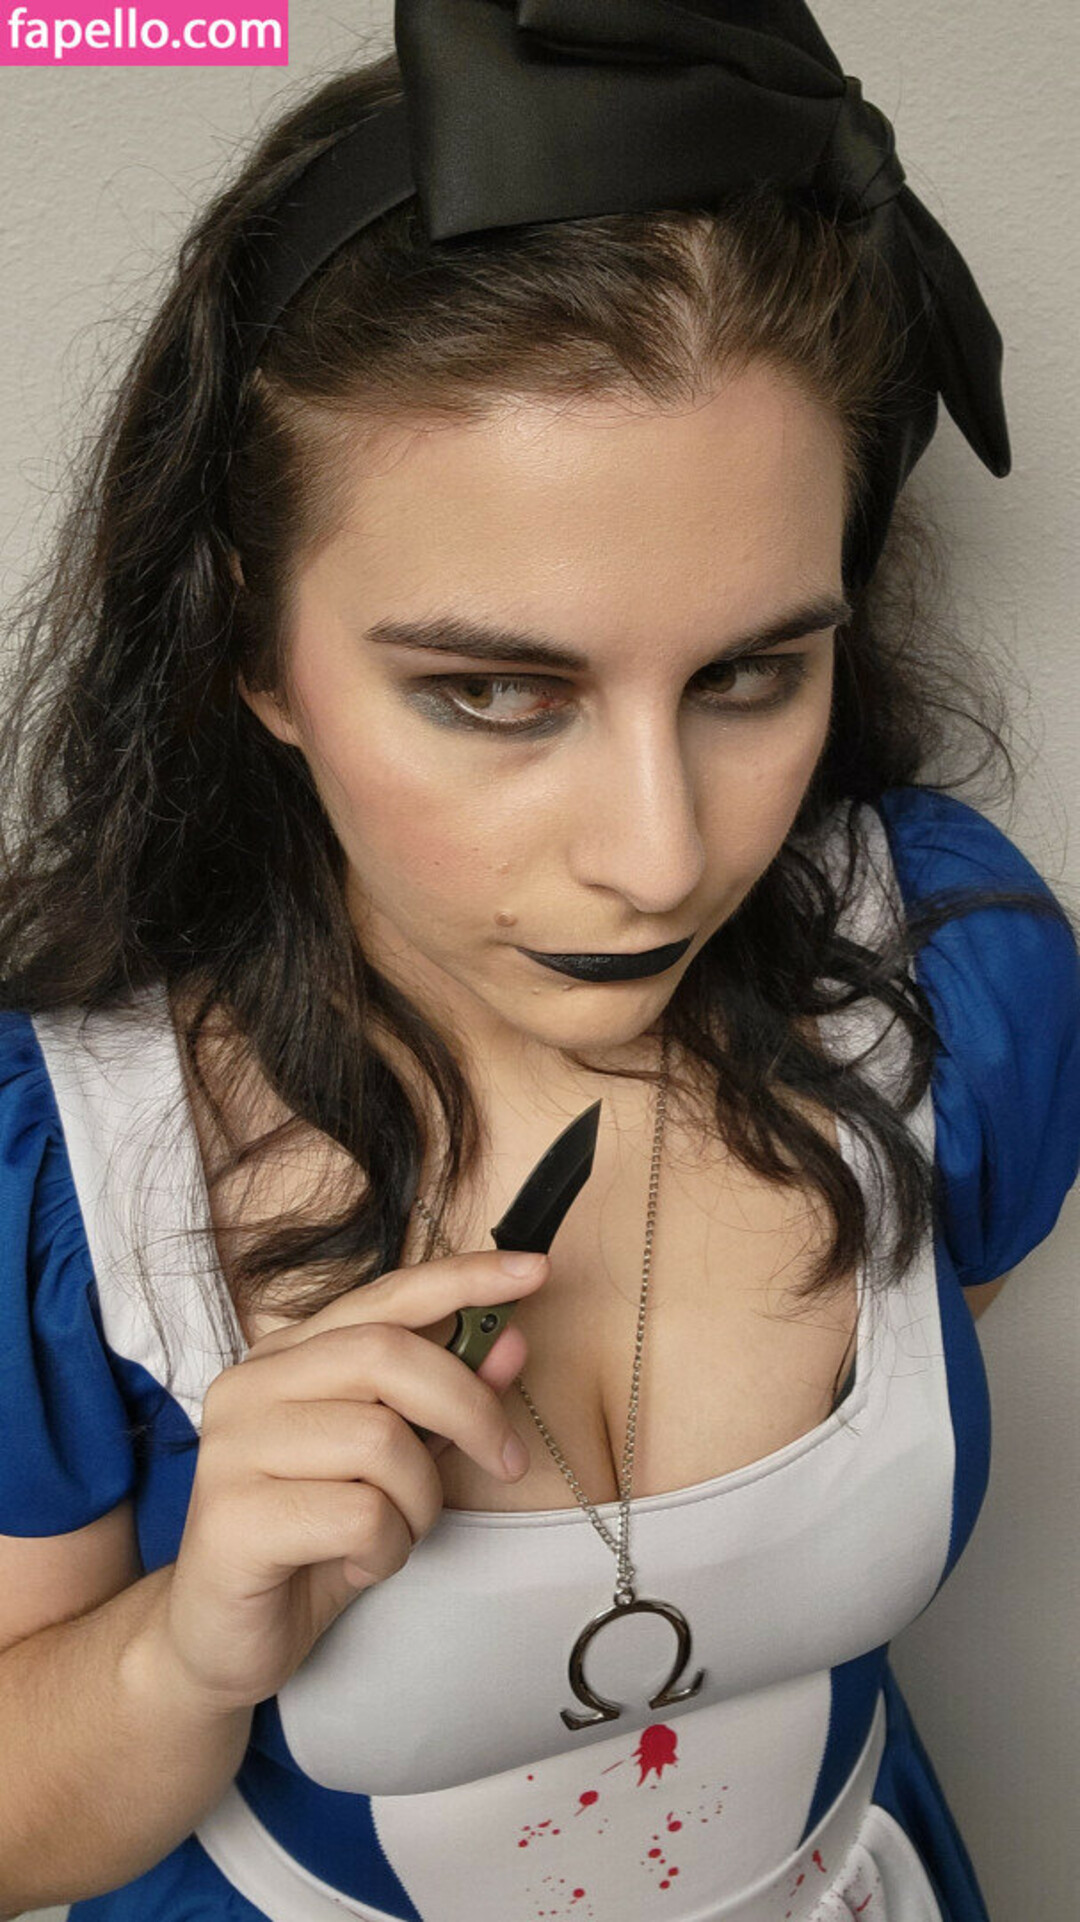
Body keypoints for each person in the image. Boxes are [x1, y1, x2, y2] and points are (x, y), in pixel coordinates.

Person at [0, 4, 1077, 1919]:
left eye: (750, 672)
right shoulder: (57, 1171)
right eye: (496, 691)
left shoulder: (955, 979)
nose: (662, 858)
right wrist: (178, 1652)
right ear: (251, 651)